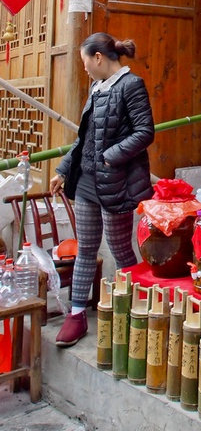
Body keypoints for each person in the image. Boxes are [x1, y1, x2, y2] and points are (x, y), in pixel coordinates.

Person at [50, 32, 155, 347]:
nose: (84, 69)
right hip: (86, 181)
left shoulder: (131, 85)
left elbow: (145, 132)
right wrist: (64, 169)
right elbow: (83, 139)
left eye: (85, 62)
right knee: (86, 247)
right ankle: (77, 313)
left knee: (121, 248)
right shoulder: (96, 88)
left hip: (117, 182)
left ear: (98, 57)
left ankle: (139, 307)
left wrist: (111, 158)